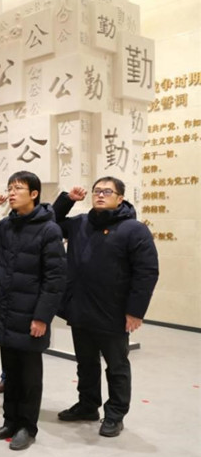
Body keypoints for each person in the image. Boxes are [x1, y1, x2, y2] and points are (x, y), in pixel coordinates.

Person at [0, 170, 66, 451]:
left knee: (30, 377)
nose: (11, 193)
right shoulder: (4, 226)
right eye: (10, 187)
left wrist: (42, 317)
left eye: (18, 188)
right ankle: (10, 421)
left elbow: (55, 278)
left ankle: (27, 427)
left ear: (34, 194)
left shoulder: (49, 230)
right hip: (5, 312)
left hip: (30, 315)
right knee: (10, 372)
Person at [52, 177, 159, 437]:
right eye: (97, 191)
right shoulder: (80, 223)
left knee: (117, 366)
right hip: (80, 307)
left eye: (107, 192)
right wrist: (67, 200)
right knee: (86, 363)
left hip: (113, 311)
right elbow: (50, 224)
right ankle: (88, 405)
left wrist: (135, 311)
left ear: (120, 198)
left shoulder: (134, 229)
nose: (100, 195)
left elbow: (146, 272)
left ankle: (115, 414)